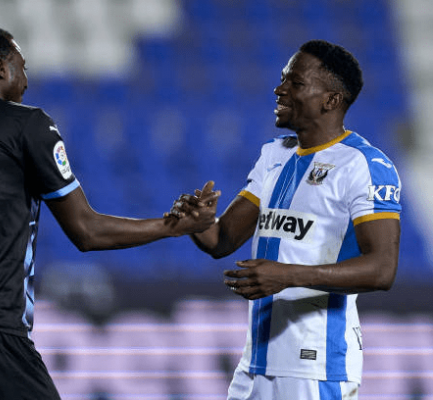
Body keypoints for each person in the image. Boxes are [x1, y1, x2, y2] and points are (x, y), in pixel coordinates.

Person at [0, 22, 219, 400]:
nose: (27, 80)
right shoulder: (25, 124)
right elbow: (86, 231)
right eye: (22, 66)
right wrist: (172, 226)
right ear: (0, 67)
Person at [169, 40, 401, 400]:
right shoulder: (274, 155)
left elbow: (382, 270)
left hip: (315, 366)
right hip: (255, 363)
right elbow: (221, 240)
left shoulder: (365, 165)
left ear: (330, 100)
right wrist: (197, 222)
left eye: (295, 83)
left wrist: (288, 275)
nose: (279, 90)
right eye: (282, 80)